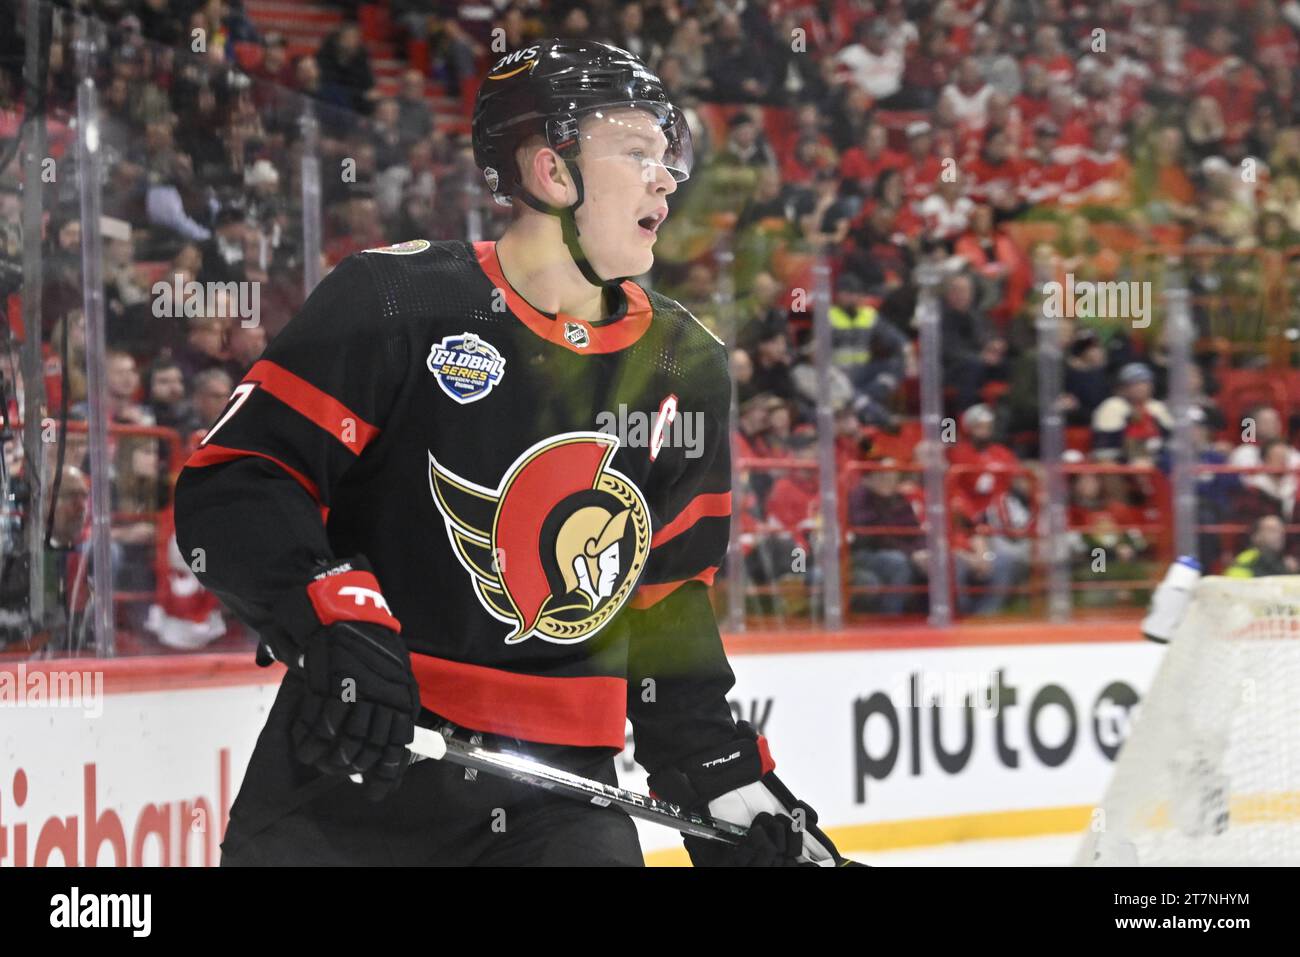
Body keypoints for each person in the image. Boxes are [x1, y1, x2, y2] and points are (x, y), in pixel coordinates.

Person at [174, 39, 845, 868]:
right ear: (551, 173)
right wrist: (328, 612)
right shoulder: (398, 300)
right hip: (350, 765)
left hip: (557, 807)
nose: (665, 177)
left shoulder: (685, 364)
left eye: (666, 156)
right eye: (636, 151)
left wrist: (728, 782)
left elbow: (666, 613)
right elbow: (239, 481)